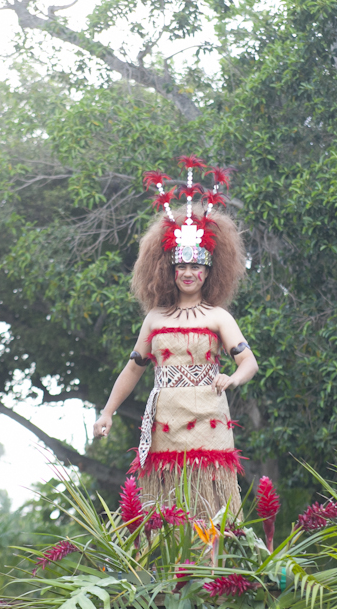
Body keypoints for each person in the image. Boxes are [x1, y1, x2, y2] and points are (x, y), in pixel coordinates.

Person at [92, 156, 258, 520]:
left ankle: (209, 576)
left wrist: (232, 377)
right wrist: (107, 411)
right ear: (169, 269)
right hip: (165, 419)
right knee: (167, 512)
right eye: (181, 266)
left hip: (209, 418)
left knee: (210, 510)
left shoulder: (218, 317)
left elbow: (248, 361)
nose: (188, 272)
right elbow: (133, 369)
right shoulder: (154, 319)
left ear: (209, 270)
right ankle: (172, 576)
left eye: (195, 265)